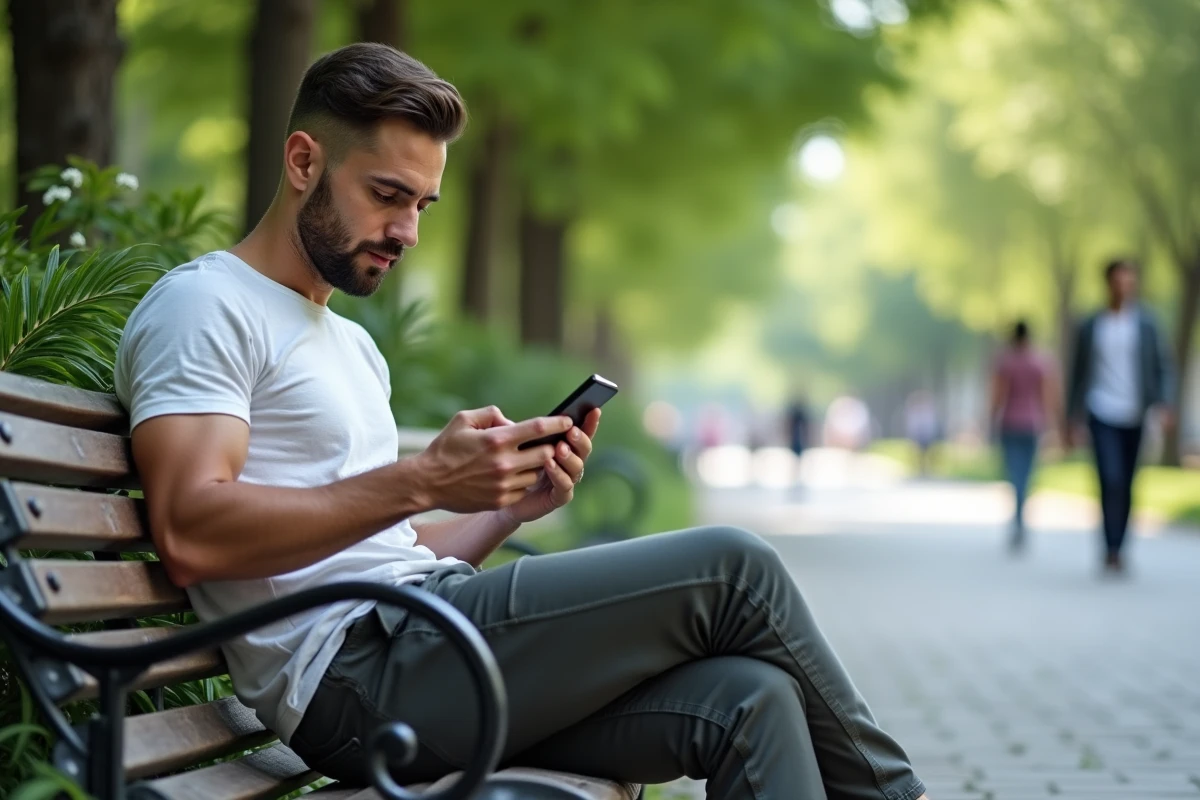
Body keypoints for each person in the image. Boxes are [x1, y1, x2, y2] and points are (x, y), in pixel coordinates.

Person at [114, 43, 928, 799]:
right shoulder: (207, 305)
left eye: (423, 204)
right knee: (734, 567)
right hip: (361, 682)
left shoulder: (351, 344)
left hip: (425, 637)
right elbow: (192, 531)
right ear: (303, 161)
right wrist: (425, 478)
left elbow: (380, 553)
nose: (407, 232)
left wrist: (505, 508)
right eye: (387, 195)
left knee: (751, 700)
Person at [1066, 258, 1174, 574]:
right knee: (1109, 478)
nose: (1123, 288)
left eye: (1129, 282)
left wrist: (1164, 403)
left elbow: (1163, 365)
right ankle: (1110, 546)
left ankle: (1120, 546)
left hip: (1136, 413)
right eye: (1118, 281)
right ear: (1108, 283)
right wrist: (1072, 417)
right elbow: (1078, 372)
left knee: (1127, 481)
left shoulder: (1147, 324)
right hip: (1101, 410)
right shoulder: (1091, 325)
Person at [990, 321, 1059, 551]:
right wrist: (1050, 424)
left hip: (1010, 423)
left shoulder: (1005, 362)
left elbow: (997, 395)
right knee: (1026, 475)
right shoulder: (1040, 362)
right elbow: (1047, 396)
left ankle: (1018, 520)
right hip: (1032, 424)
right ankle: (1020, 520)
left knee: (1014, 473)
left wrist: (991, 419)